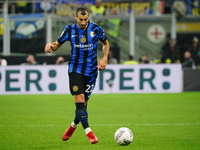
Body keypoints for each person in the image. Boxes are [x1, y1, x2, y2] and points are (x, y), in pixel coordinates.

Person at [45, 7, 109, 144]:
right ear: (76, 17)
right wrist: (50, 45)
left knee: (83, 105)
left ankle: (73, 126)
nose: (83, 22)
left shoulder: (96, 29)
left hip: (91, 71)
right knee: (79, 100)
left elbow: (105, 43)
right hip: (75, 70)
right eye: (81, 19)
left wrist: (104, 58)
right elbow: (57, 45)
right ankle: (89, 133)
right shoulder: (69, 30)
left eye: (85, 19)